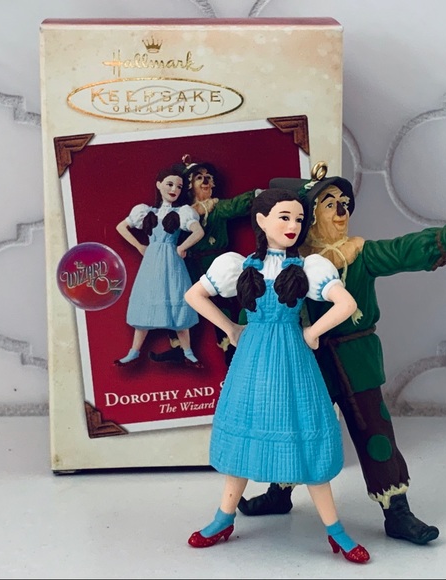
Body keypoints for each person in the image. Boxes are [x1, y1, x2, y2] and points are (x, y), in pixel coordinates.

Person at [237, 164, 446, 545]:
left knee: (375, 434)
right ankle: (280, 492)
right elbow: (258, 303)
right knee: (292, 427)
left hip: (355, 358)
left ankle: (397, 511)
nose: (341, 211)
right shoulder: (288, 261)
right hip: (303, 361)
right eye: (330, 204)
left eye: (345, 204)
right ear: (310, 215)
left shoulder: (358, 254)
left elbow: (400, 251)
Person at [184, 188, 370, 564]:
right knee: (245, 436)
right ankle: (223, 517)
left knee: (304, 436)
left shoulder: (308, 267)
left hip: (292, 360)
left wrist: (313, 332)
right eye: (284, 217)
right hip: (252, 361)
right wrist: (230, 328)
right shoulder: (238, 265)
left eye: (298, 219)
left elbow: (346, 303)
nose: (293, 225)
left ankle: (335, 529)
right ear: (261, 220)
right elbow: (194, 296)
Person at [149, 155, 259, 366]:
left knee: (223, 303)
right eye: (199, 177)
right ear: (190, 185)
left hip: (214, 262)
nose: (205, 180)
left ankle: (231, 347)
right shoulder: (181, 212)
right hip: (189, 264)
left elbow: (236, 205)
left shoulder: (217, 207)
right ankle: (179, 347)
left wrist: (258, 196)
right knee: (178, 301)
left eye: (208, 177)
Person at [113, 164, 205, 368]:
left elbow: (198, 232)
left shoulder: (182, 212)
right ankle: (133, 352)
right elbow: (121, 227)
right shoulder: (146, 212)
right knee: (147, 300)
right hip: (151, 263)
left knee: (177, 301)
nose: (174, 190)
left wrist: (182, 247)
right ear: (158, 185)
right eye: (169, 184)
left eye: (178, 187)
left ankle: (188, 353)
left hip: (172, 262)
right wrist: (139, 246)